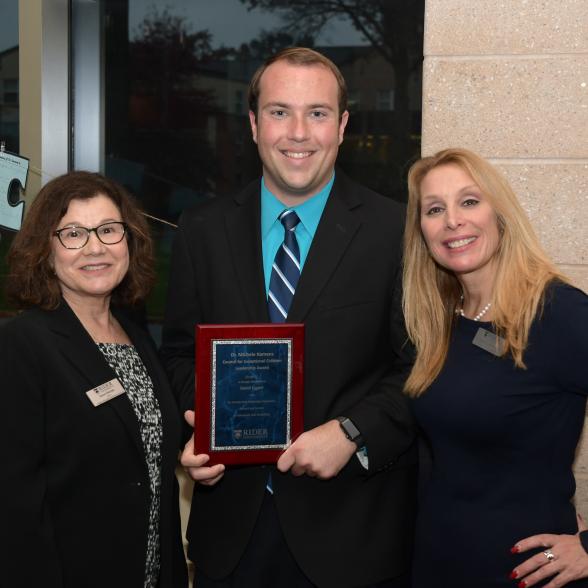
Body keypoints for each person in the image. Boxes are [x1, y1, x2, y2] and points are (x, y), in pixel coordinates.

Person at [161, 47, 416, 588]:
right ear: (254, 124)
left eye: (317, 114)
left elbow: (421, 367)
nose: (298, 132)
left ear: (342, 126)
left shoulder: (395, 231)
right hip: (231, 533)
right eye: (279, 112)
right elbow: (181, 355)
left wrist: (353, 432)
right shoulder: (202, 230)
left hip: (351, 534)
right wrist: (201, 426)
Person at [402, 147, 588, 588]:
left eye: (469, 201)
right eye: (434, 209)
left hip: (522, 574)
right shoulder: (442, 321)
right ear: (422, 231)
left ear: (499, 215)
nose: (452, 220)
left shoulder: (557, 312)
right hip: (438, 564)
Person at [0, 172, 188, 588]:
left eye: (107, 230)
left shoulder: (135, 337)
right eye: (73, 234)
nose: (95, 247)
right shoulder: (22, 344)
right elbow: (15, 504)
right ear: (45, 250)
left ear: (129, 240)